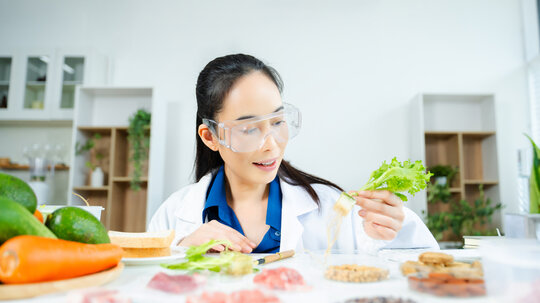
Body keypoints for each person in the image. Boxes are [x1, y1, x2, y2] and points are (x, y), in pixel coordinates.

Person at [148, 54, 438, 253]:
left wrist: (387, 233)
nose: (271, 144)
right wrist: (181, 253)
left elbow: (420, 266)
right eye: (249, 129)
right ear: (211, 137)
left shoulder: (331, 208)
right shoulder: (175, 215)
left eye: (277, 122)